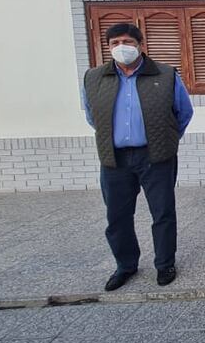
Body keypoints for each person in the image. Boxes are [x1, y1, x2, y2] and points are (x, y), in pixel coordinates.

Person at [82, 23, 193, 291]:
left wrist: (164, 139)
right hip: (115, 159)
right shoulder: (94, 78)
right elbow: (91, 115)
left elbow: (183, 112)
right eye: (115, 42)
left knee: (163, 212)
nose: (122, 47)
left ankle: (165, 263)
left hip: (155, 156)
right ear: (108, 47)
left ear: (140, 45)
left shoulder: (165, 75)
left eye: (128, 42)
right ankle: (126, 265)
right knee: (117, 216)